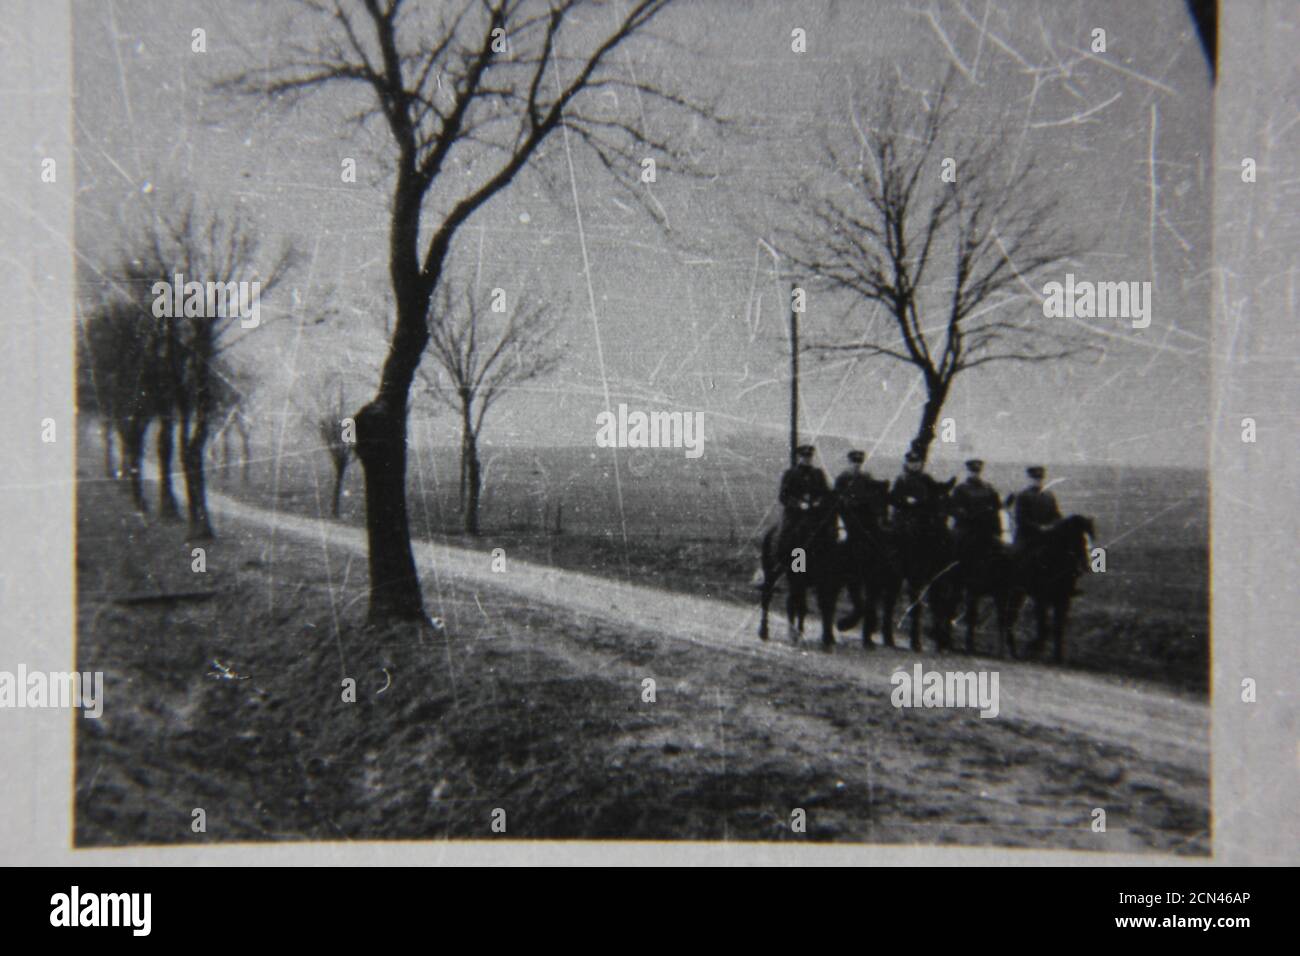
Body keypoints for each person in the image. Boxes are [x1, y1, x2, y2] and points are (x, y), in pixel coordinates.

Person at [949, 458, 1003, 554]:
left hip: (986, 529)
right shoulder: (960, 489)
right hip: (967, 529)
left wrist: (997, 531)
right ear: (968, 471)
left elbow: (996, 509)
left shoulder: (989, 488)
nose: (975, 474)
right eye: (972, 471)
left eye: (977, 472)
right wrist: (971, 516)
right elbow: (955, 510)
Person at [889, 449, 948, 533]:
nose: (915, 465)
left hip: (923, 516)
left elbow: (935, 489)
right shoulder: (902, 479)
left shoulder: (925, 477)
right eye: (911, 463)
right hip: (906, 517)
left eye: (917, 462)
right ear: (907, 464)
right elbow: (893, 498)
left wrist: (946, 486)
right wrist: (905, 499)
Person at [834, 450, 889, 538]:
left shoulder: (865, 476)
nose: (857, 464)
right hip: (849, 512)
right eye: (854, 461)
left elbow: (873, 489)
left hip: (864, 510)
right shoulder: (842, 478)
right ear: (849, 462)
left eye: (859, 462)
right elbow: (838, 496)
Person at [1007, 465, 1062, 547]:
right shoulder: (1022, 496)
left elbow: (1056, 515)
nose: (1038, 481)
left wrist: (1051, 526)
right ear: (1029, 479)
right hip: (1027, 538)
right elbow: (1021, 519)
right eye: (1035, 479)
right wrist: (1040, 528)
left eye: (1040, 479)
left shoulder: (1049, 496)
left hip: (1046, 536)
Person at [779, 444, 831, 522]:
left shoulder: (818, 473)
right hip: (795, 514)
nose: (807, 459)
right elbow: (783, 496)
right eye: (804, 456)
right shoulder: (790, 474)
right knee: (787, 531)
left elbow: (825, 492)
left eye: (809, 456)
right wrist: (798, 504)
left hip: (814, 513)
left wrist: (818, 501)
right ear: (799, 457)